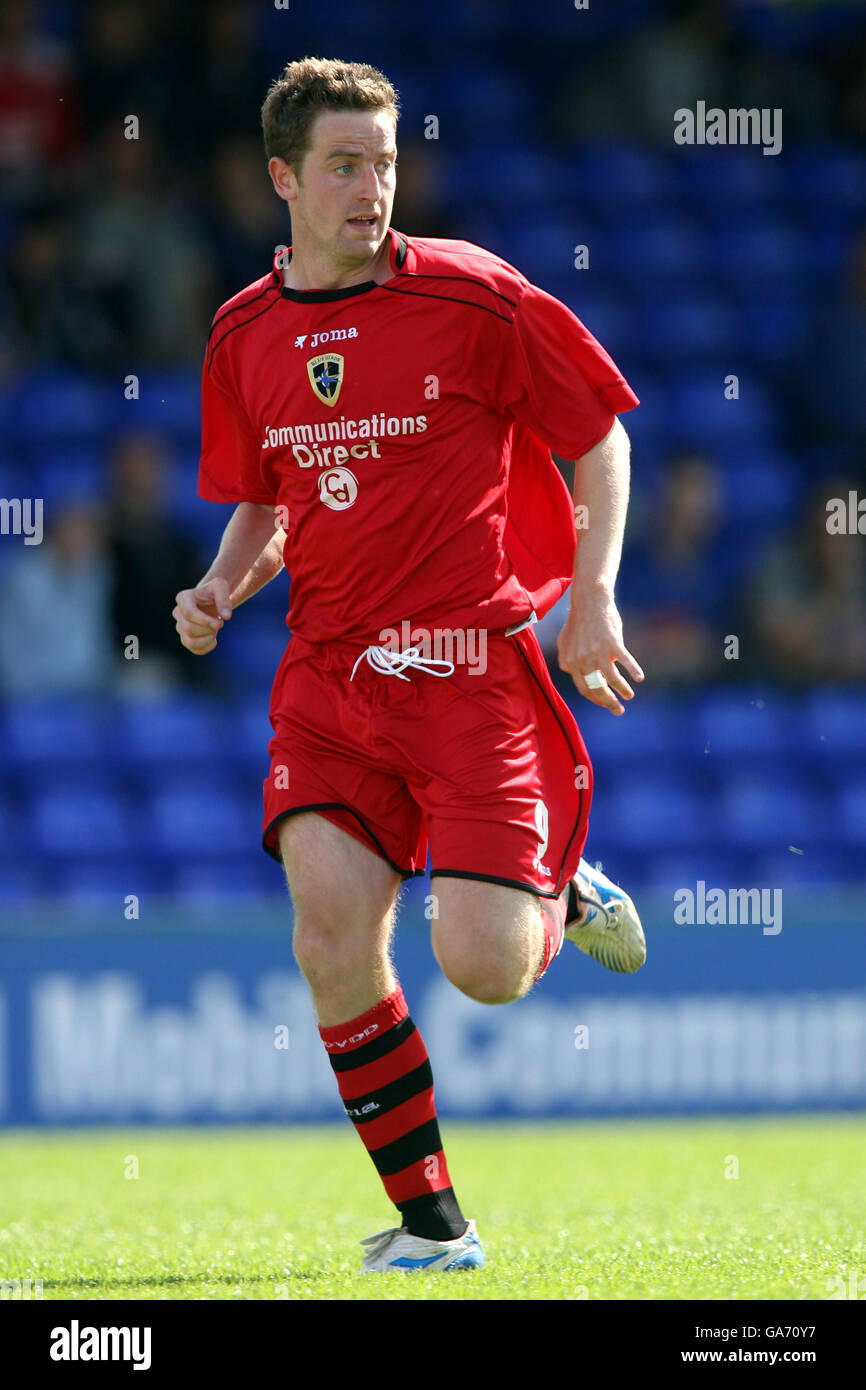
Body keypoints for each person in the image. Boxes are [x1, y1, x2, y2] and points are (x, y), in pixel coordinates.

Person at [173, 58, 646, 1274]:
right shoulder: (241, 333)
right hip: (329, 680)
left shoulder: (475, 298)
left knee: (481, 971)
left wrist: (587, 597)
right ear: (282, 178)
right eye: (342, 164)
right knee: (330, 938)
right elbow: (267, 500)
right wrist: (225, 585)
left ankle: (558, 888)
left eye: (383, 162)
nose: (369, 186)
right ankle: (433, 1223)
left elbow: (596, 437)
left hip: (470, 672)